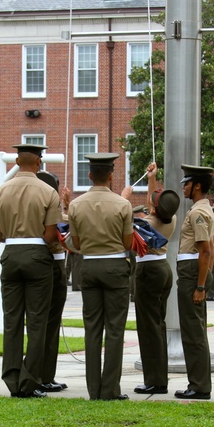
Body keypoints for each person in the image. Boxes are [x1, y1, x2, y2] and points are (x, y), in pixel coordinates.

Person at [0, 144, 62, 399]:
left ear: (18, 161)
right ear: (39, 162)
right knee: (37, 321)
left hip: (10, 254)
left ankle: (11, 378)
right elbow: (50, 234)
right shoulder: (47, 191)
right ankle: (29, 381)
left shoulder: (0, 191)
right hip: (37, 254)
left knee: (12, 321)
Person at [68, 153, 133, 401]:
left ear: (89, 175)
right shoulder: (122, 204)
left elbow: (75, 242)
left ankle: (93, 389)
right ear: (111, 176)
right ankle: (110, 389)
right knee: (115, 329)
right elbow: (128, 241)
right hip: (115, 265)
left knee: (92, 328)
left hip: (88, 266)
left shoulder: (76, 204)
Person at [123, 163, 179, 396]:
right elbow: (151, 202)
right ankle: (159, 377)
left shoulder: (147, 224)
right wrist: (152, 179)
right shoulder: (170, 218)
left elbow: (122, 219)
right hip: (163, 268)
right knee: (158, 325)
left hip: (148, 272)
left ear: (154, 210)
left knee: (149, 329)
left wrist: (124, 200)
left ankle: (155, 381)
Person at [174, 164, 214, 400]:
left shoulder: (198, 213)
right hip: (193, 271)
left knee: (193, 332)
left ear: (197, 186)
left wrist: (200, 286)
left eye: (186, 184)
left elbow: (205, 251)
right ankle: (198, 383)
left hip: (192, 272)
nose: (183, 188)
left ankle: (199, 386)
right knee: (194, 330)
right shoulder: (199, 210)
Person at [36, 170, 70, 393]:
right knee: (50, 322)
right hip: (53, 263)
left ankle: (40, 373)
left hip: (36, 261)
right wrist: (67, 207)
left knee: (40, 322)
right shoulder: (52, 206)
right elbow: (65, 225)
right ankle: (44, 375)